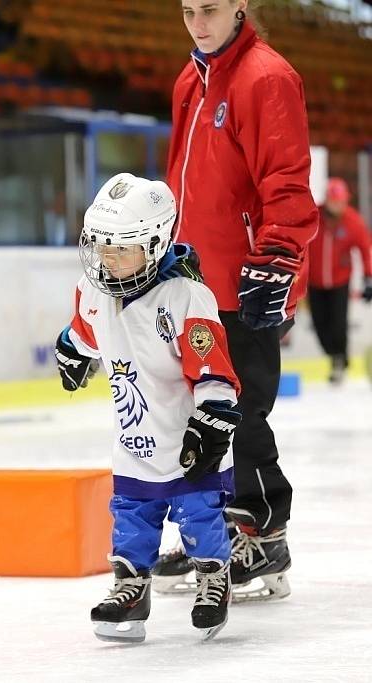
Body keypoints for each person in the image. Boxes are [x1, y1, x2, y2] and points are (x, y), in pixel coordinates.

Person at [153, 0, 319, 601]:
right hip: (193, 283)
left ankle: (263, 532)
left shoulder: (266, 78)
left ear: (239, 5)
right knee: (191, 410)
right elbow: (180, 182)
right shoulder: (188, 80)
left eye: (212, 10)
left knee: (243, 412)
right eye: (189, 11)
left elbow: (286, 183)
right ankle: (210, 530)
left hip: (248, 278)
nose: (200, 24)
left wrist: (276, 260)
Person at [55, 173, 241, 643]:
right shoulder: (95, 289)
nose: (107, 258)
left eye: (121, 248)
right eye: (101, 246)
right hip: (134, 441)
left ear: (156, 243)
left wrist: (211, 423)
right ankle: (131, 587)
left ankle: (212, 576)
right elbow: (86, 330)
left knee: (200, 513)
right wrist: (72, 350)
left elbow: (212, 368)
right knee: (132, 516)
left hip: (186, 441)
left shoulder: (184, 298)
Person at [308, 177, 372, 384]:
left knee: (338, 324)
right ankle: (334, 356)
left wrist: (368, 277)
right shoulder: (313, 217)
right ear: (327, 199)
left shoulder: (353, 221)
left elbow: (365, 250)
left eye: (342, 201)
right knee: (319, 325)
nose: (339, 205)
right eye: (335, 201)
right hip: (314, 283)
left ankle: (340, 360)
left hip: (340, 282)